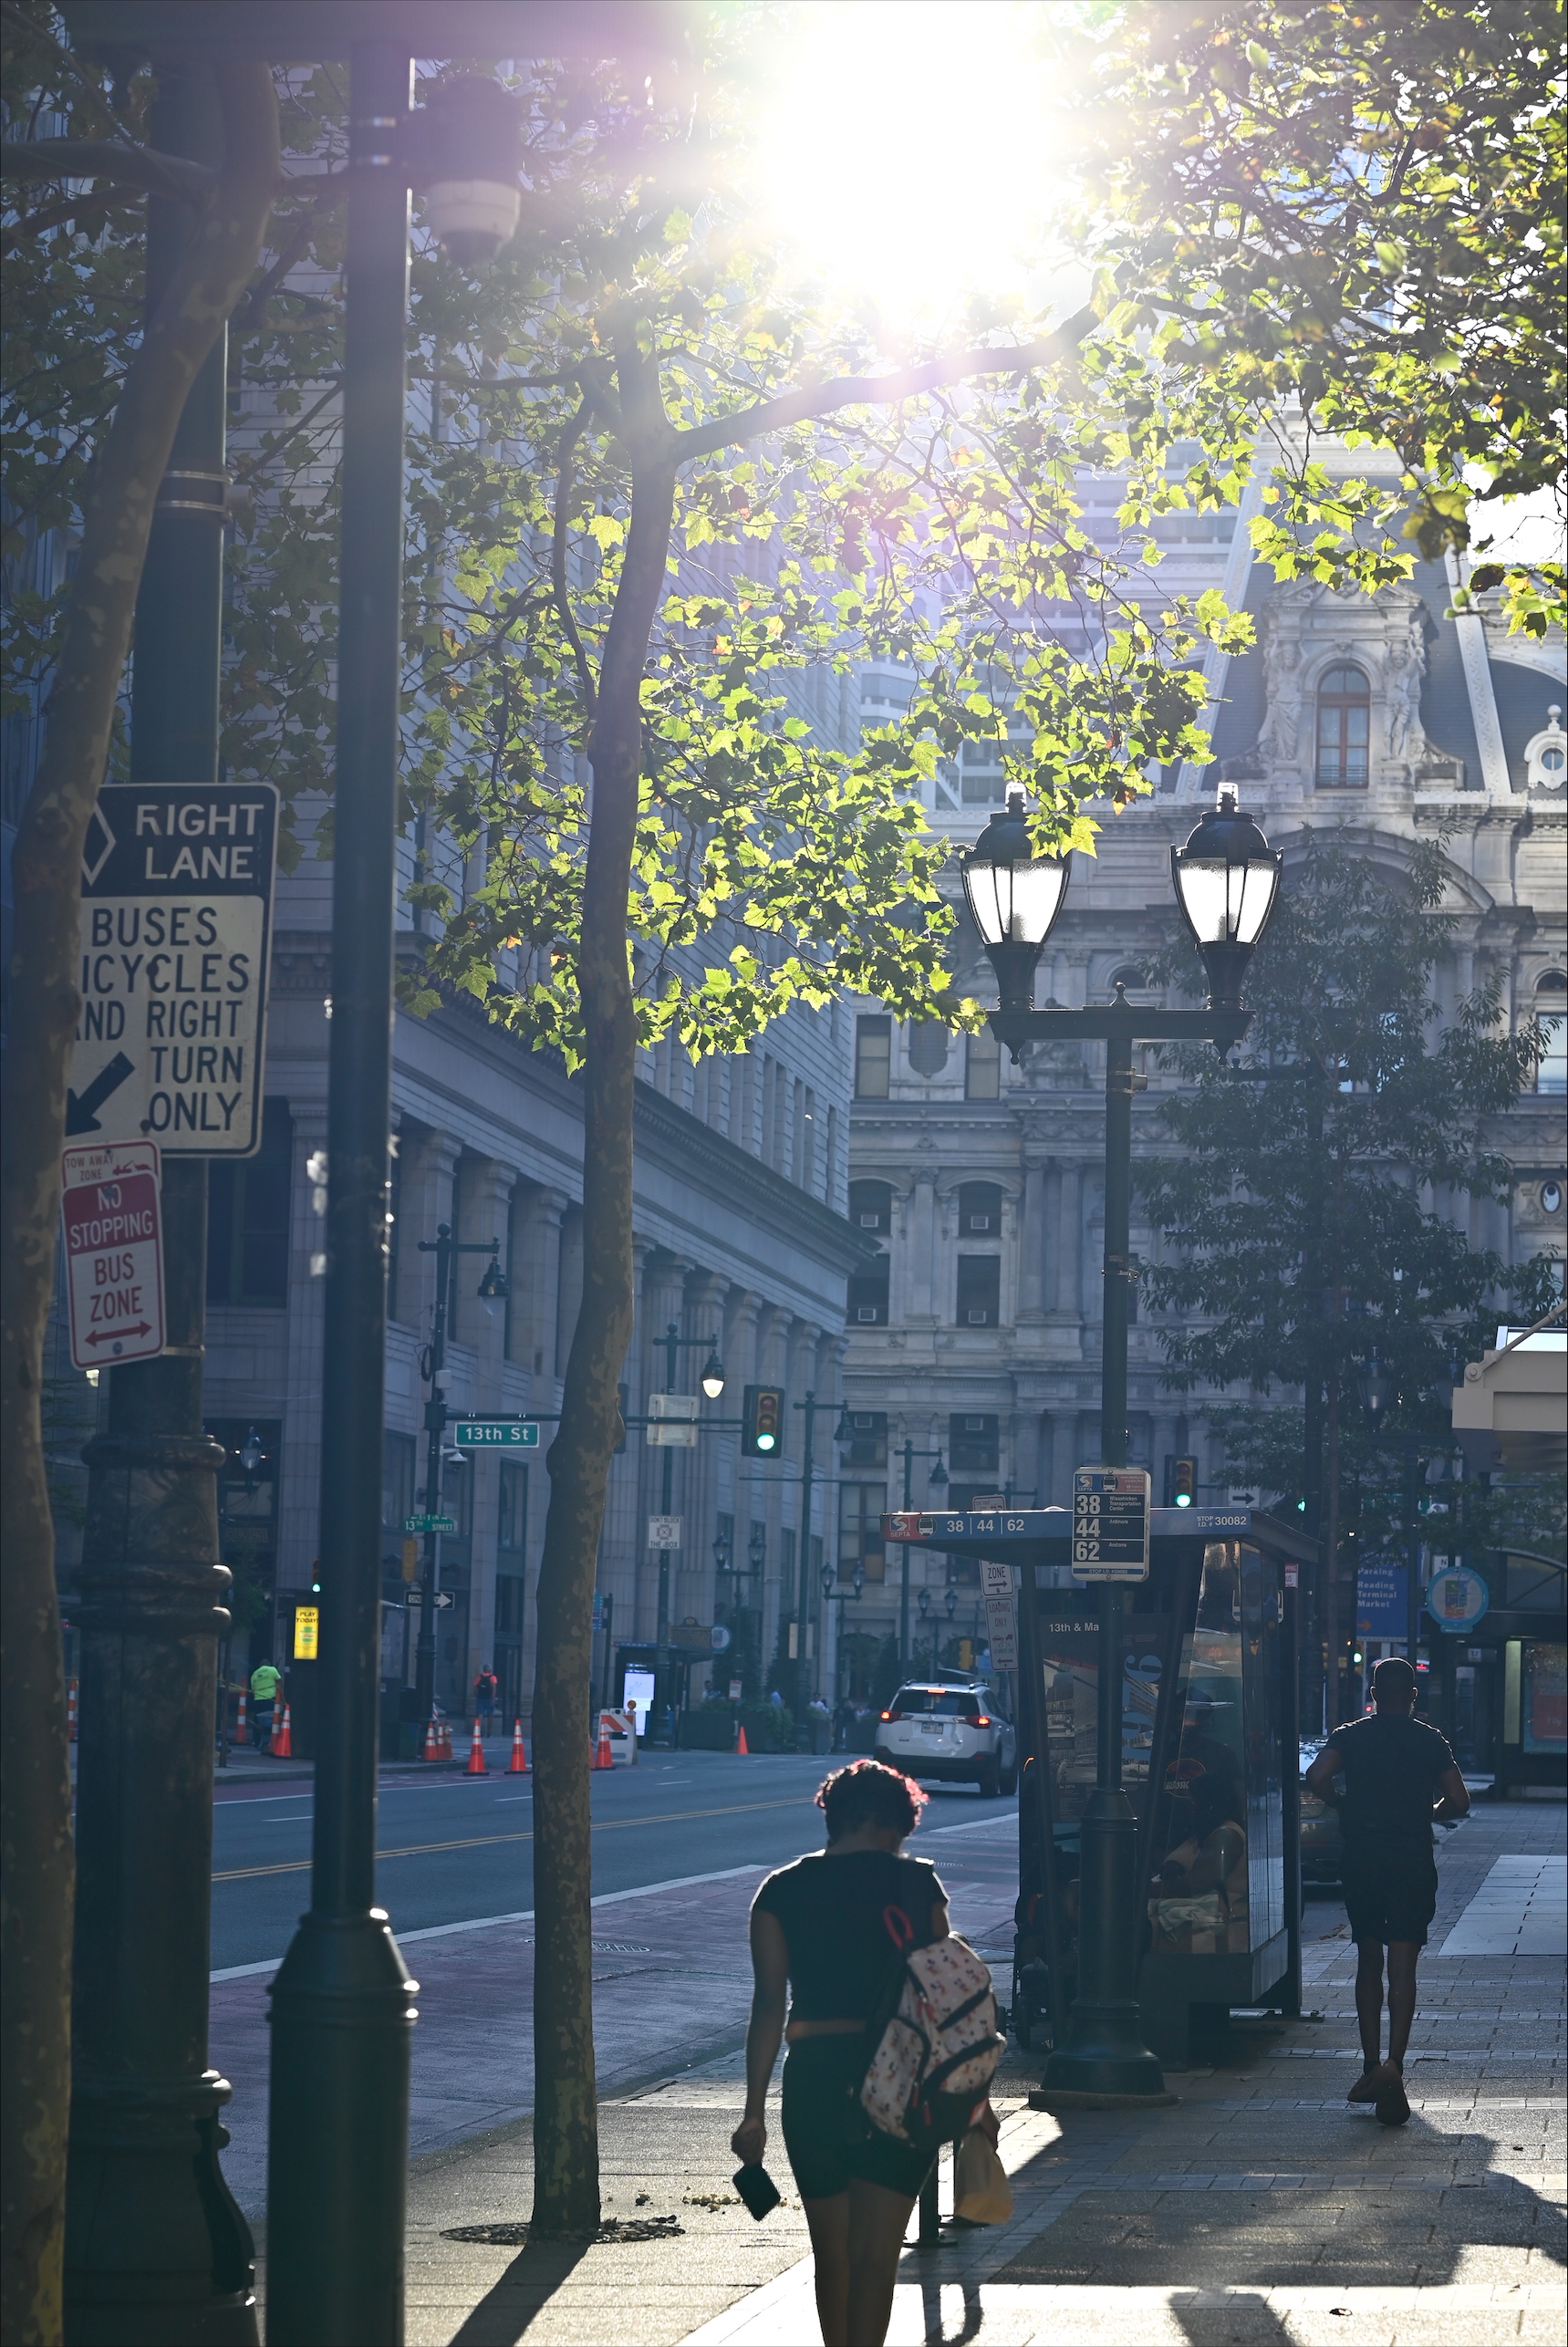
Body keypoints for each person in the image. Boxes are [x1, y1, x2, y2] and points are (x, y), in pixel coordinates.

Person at [732, 1759, 996, 2347]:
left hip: (816, 2077)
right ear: (890, 1823)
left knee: (833, 2253)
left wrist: (753, 2113)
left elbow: (768, 2006)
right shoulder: (916, 1885)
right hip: (903, 2079)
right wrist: (977, 2097)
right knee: (877, 2255)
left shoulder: (780, 1890)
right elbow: (948, 2001)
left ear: (836, 1817)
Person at [1304, 1655, 1469, 2126]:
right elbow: (1459, 1800)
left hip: (1364, 1858)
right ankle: (1395, 2065)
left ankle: (1370, 2064)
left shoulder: (1351, 1736)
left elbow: (1317, 1777)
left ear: (1373, 1695)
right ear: (1413, 1695)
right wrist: (1427, 1813)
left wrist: (1341, 1803)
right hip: (1411, 1859)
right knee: (1403, 1964)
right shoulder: (1430, 1740)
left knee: (1368, 1959)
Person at [249, 1656, 282, 1752]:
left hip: (257, 1699)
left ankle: (257, 1742)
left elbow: (253, 1689)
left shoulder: (255, 1674)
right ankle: (268, 1743)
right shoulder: (272, 1670)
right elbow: (279, 1681)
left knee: (258, 1722)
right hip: (269, 1698)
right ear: (268, 1664)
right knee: (269, 1722)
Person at [473, 1666, 498, 1730]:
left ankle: (479, 1730)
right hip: (489, 1698)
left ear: (483, 1670)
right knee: (490, 1715)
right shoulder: (493, 1677)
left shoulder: (479, 1677)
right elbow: (494, 1689)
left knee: (480, 1715)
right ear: (490, 1670)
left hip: (480, 1698)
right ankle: (489, 1732)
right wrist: (493, 1698)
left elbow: (475, 1687)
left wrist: (477, 1696)